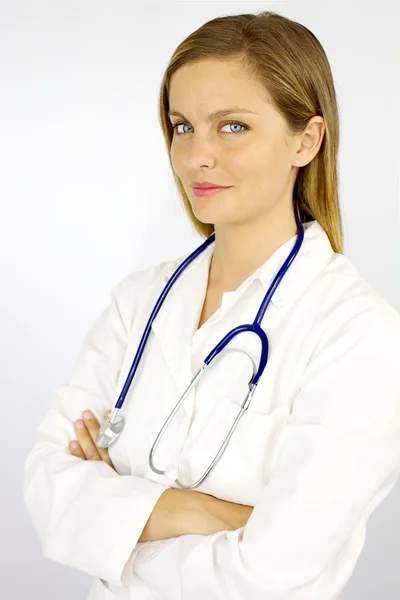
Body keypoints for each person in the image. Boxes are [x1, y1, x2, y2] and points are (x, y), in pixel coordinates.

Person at [23, 10, 400, 600]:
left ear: (307, 139)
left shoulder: (357, 333)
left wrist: (109, 522)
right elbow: (47, 492)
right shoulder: (138, 304)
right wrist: (201, 511)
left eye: (232, 127)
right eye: (182, 126)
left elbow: (276, 571)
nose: (197, 155)